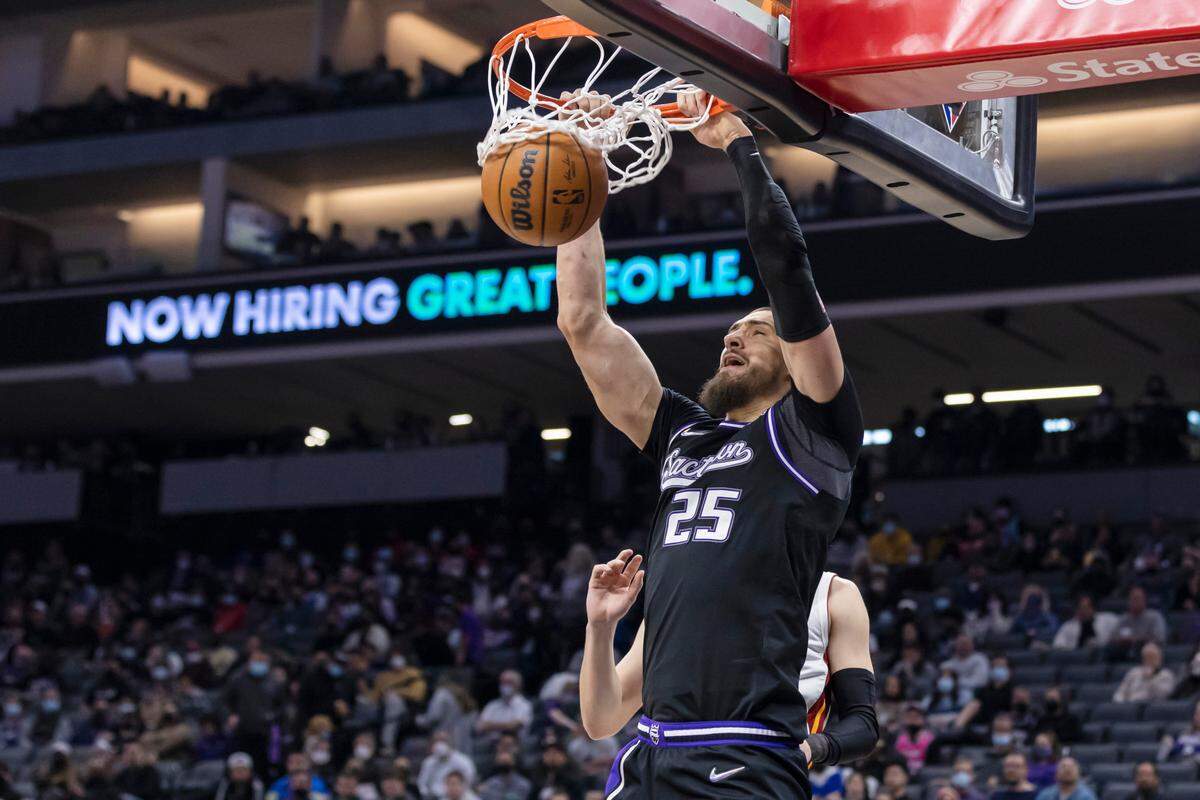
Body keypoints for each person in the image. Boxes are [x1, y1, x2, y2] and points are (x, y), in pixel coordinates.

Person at [560, 89, 866, 799]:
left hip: (746, 753)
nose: (735, 333)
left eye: (758, 330)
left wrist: (736, 141)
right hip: (650, 754)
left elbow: (787, 266)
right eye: (732, 328)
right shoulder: (682, 435)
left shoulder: (816, 433)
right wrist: (581, 167)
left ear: (794, 358)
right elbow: (583, 322)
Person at [474, 670, 532, 743]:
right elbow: (480, 726)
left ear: (518, 685)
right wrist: (506, 725)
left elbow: (514, 726)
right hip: (490, 745)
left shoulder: (524, 705)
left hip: (515, 744)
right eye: (502, 682)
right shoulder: (492, 705)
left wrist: (490, 725)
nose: (505, 686)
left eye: (508, 682)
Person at [1110, 587, 1167, 660]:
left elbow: (1159, 638)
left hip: (1145, 651)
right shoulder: (1124, 619)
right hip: (1124, 650)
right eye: (1132, 599)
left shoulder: (1154, 617)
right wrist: (1121, 640)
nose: (1135, 602)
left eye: (1137, 599)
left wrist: (1137, 640)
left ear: (1144, 600)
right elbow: (1112, 638)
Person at [416, 731, 476, 799]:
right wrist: (428, 794)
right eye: (437, 741)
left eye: (443, 741)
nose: (439, 745)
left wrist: (454, 791)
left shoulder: (463, 761)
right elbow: (422, 784)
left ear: (450, 743)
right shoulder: (428, 762)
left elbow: (469, 781)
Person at [1052, 596, 1117, 651]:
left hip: (1102, 656)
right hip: (1079, 659)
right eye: (1080, 608)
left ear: (1092, 608)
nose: (1083, 611)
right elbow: (1058, 646)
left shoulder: (1107, 619)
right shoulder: (1068, 626)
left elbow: (1122, 625)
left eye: (1085, 608)